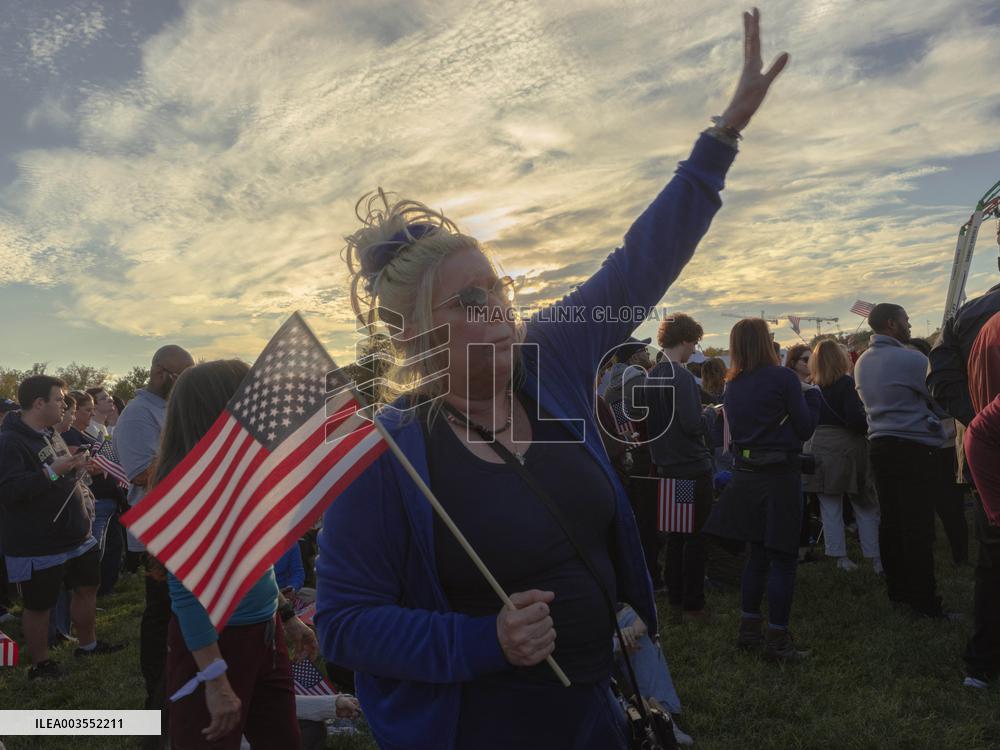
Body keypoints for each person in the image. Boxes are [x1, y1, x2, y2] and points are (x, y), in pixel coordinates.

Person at [315, 11, 789, 748]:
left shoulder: (551, 360)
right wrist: (484, 640)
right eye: (470, 302)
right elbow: (344, 626)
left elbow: (639, 263)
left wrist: (721, 136)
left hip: (599, 711)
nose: (499, 311)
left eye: (499, 290)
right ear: (411, 335)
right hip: (478, 729)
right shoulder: (388, 456)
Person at [703, 318, 819, 661]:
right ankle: (778, 639)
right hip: (780, 475)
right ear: (764, 342)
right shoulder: (783, 378)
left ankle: (749, 628)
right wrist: (813, 403)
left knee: (756, 554)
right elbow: (803, 427)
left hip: (746, 475)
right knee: (783, 558)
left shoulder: (732, 384)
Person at [0, 375, 123, 679]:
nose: (64, 405)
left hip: (76, 534)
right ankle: (41, 664)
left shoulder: (50, 433)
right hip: (38, 541)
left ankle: (88, 644)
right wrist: (53, 473)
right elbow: (10, 492)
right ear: (39, 403)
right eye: (59, 400)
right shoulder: (9, 441)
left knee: (87, 587)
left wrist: (79, 464)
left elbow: (61, 471)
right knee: (39, 604)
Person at [114, 344, 195, 747]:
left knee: (182, 612)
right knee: (161, 612)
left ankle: (184, 681)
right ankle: (157, 696)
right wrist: (192, 452)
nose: (187, 384)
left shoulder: (169, 407)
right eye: (183, 376)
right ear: (160, 372)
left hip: (183, 525)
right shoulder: (137, 414)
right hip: (157, 531)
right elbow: (141, 474)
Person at [854, 304, 956, 619]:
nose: (909, 325)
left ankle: (897, 592)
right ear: (891, 323)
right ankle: (925, 602)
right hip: (914, 447)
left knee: (892, 522)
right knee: (918, 528)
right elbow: (939, 398)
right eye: (905, 320)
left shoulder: (862, 362)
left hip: (880, 446)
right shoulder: (910, 358)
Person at [642, 313, 714, 622]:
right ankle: (694, 605)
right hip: (691, 466)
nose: (694, 349)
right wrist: (710, 416)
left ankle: (674, 601)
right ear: (685, 340)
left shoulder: (651, 375)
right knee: (695, 538)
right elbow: (691, 424)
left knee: (676, 537)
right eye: (694, 342)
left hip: (666, 465)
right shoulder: (682, 377)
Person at [801, 340, 881, 573]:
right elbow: (855, 421)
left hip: (817, 446)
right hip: (846, 447)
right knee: (863, 502)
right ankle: (874, 556)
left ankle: (839, 557)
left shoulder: (811, 386)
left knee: (829, 505)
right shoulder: (846, 384)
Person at [960, 310, 1000, 687]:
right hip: (990, 457)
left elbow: (944, 382)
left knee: (991, 570)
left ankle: (981, 663)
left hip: (987, 466)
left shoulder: (979, 322)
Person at [64, 390, 127, 596]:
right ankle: (87, 592)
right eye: (85, 410)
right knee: (94, 551)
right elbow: (75, 468)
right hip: (94, 499)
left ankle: (99, 589)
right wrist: (101, 464)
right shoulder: (71, 435)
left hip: (104, 499)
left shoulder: (85, 433)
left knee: (107, 548)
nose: (90, 414)